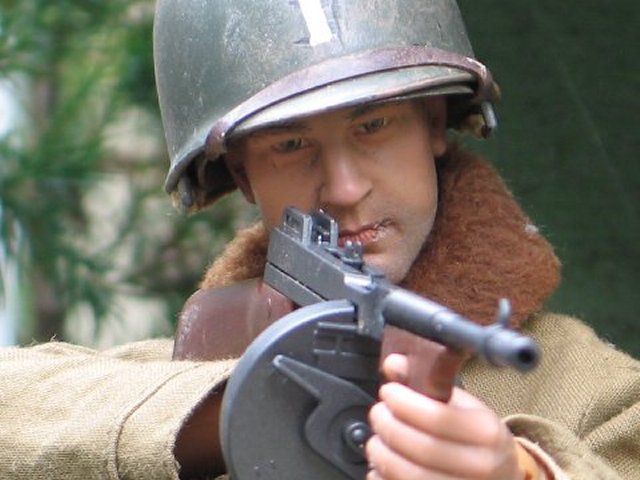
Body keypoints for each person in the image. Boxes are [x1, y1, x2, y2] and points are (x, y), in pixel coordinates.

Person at [0, 1, 638, 479]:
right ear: (243, 175)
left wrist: (525, 471)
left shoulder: (592, 389)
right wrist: (243, 404)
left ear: (434, 122)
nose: (344, 187)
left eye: (374, 125)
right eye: (290, 144)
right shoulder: (193, 369)